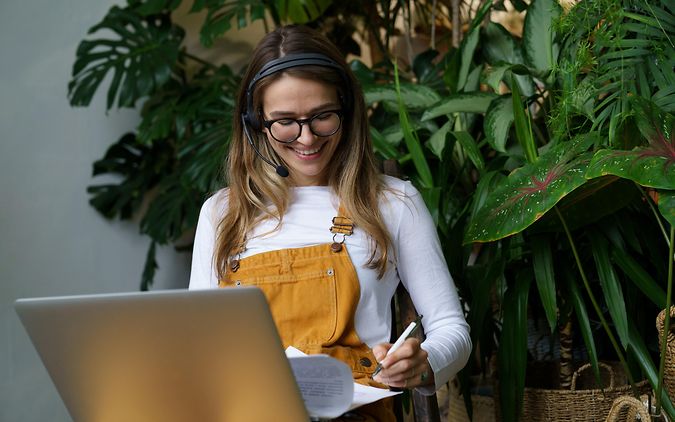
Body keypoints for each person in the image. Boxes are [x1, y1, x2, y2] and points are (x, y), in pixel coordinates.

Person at [189, 24, 471, 421]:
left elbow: (451, 328)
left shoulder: (393, 202)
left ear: (347, 109)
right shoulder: (222, 213)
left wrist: (423, 362)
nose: (306, 139)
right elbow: (201, 346)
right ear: (255, 123)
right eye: (284, 121)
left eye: (322, 116)